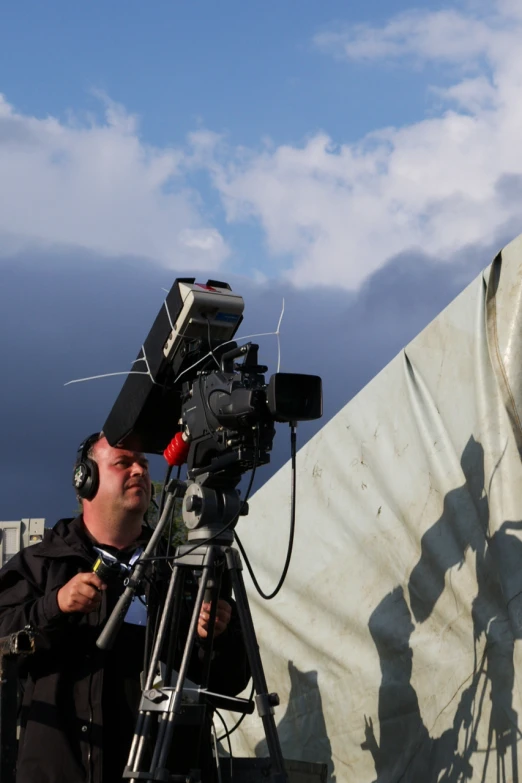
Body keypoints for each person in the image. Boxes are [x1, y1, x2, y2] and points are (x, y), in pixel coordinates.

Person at [0, 433, 250, 783]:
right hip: (61, 770)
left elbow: (233, 681)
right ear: (85, 479)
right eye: (123, 463)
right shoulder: (41, 564)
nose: (140, 471)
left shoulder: (181, 569)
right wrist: (52, 606)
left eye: (144, 465)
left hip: (163, 769)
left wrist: (217, 637)